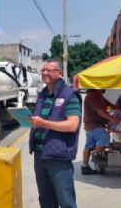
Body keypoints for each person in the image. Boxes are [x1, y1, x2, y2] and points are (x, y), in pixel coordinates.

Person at [28, 59, 82, 208]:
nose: (45, 73)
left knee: (66, 202)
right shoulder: (42, 95)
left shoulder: (69, 95)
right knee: (46, 200)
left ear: (60, 73)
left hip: (59, 157)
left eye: (49, 70)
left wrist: (44, 123)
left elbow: (72, 125)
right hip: (40, 155)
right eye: (43, 70)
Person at [82, 89, 119, 175]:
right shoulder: (92, 96)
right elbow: (100, 111)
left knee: (89, 145)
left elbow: (109, 106)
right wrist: (112, 118)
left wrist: (117, 109)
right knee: (104, 137)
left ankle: (84, 167)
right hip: (93, 125)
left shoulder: (100, 96)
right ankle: (96, 154)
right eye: (103, 86)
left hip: (93, 125)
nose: (105, 88)